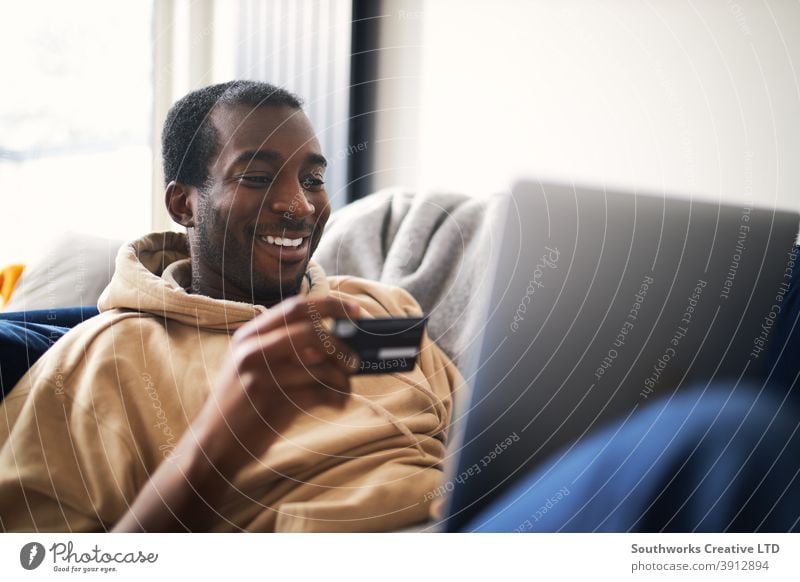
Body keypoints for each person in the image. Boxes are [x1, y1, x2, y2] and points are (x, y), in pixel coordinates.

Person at [0, 81, 461, 532]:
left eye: (313, 180)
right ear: (184, 205)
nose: (299, 206)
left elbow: (478, 438)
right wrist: (226, 436)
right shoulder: (97, 361)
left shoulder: (374, 306)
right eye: (257, 178)